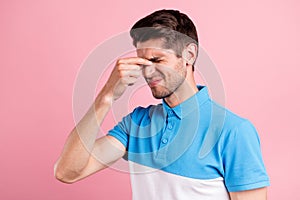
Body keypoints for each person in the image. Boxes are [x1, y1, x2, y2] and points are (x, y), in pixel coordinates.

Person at [54, 9, 270, 199]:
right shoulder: (136, 123)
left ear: (189, 54)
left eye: (157, 61)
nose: (148, 72)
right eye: (143, 62)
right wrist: (106, 96)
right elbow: (67, 172)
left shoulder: (234, 132)